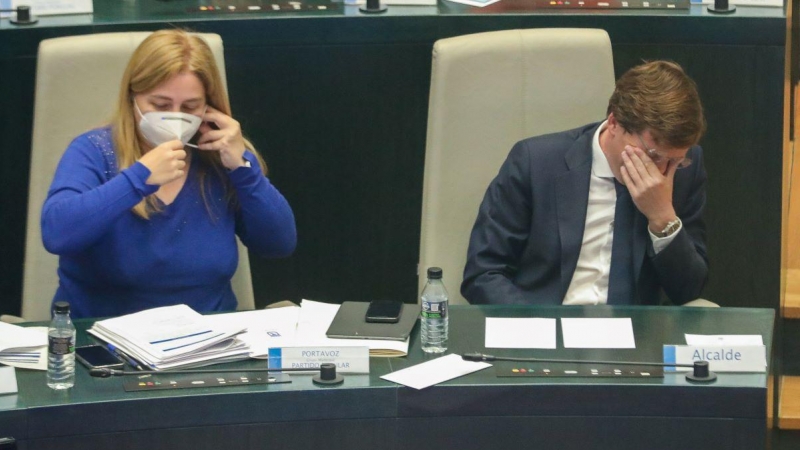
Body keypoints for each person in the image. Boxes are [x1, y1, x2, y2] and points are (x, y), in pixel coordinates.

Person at [41, 30, 297, 318]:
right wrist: (139, 178)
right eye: (160, 105)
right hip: (103, 345)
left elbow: (279, 243)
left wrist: (243, 168)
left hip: (208, 343)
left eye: (190, 107)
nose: (175, 117)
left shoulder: (219, 159)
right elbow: (57, 233)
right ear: (132, 98)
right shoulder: (95, 151)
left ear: (209, 107)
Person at [462, 60, 707, 306]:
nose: (661, 172)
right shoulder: (535, 162)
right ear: (614, 123)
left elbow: (689, 292)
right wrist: (534, 329)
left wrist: (663, 217)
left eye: (675, 161)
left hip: (634, 336)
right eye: (653, 155)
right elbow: (484, 273)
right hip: (545, 328)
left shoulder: (685, 170)